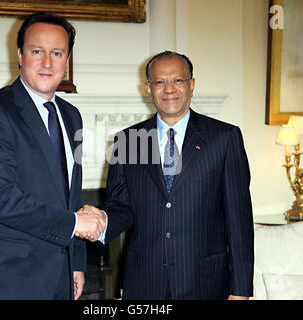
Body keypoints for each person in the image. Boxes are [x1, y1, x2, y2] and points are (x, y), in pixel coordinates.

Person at [0, 12, 105, 300]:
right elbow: (1, 199)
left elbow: (70, 197)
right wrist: (75, 224)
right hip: (5, 279)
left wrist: (75, 263)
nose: (47, 62)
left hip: (59, 275)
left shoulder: (71, 116)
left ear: (67, 59)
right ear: (20, 55)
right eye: (37, 51)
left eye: (57, 53)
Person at [83, 51, 254, 300]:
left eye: (178, 80)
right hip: (144, 282)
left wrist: (240, 291)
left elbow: (239, 221)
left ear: (192, 85)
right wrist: (101, 222)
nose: (169, 89)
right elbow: (121, 206)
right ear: (148, 88)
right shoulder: (128, 141)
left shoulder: (225, 138)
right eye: (160, 82)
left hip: (206, 283)